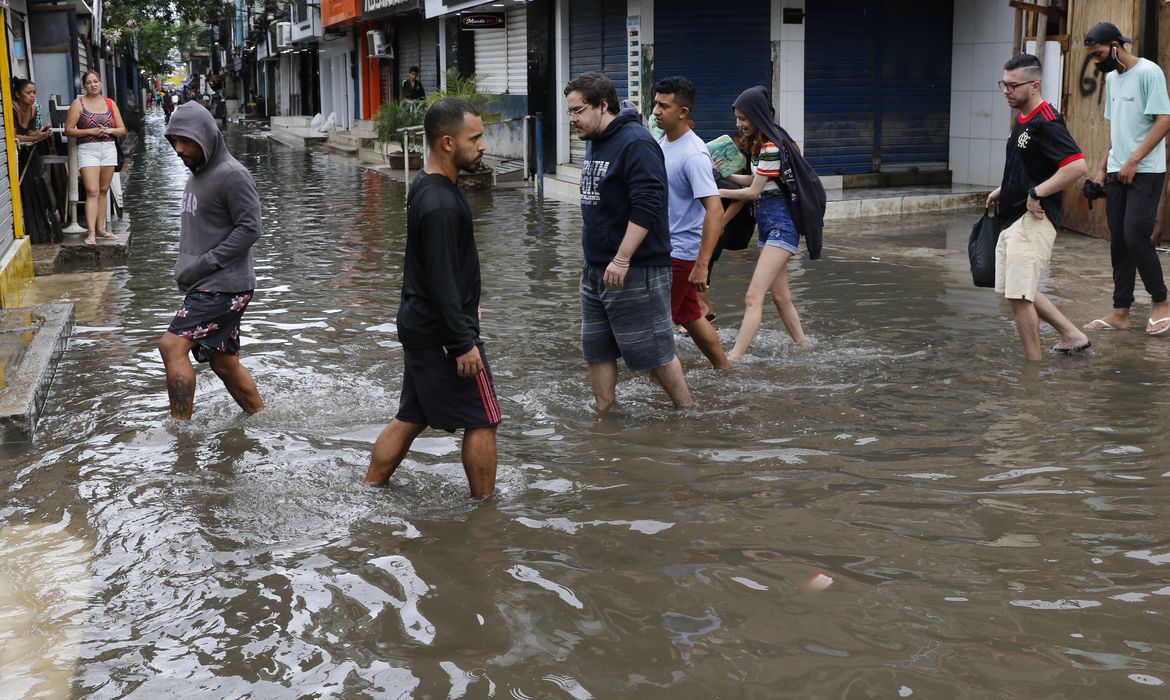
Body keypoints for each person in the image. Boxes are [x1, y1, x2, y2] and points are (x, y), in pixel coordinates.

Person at [363, 98, 500, 499]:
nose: (482, 146)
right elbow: (440, 278)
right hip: (443, 334)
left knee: (411, 415)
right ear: (446, 142)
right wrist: (462, 342)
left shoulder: (426, 184)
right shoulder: (439, 202)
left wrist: (468, 299)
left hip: (423, 325)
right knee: (484, 418)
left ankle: (370, 490)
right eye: (474, 138)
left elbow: (439, 268)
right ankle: (485, 511)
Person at [565, 72, 692, 411]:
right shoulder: (594, 138)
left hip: (636, 268)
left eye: (578, 111)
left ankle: (689, 413)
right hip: (595, 269)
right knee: (597, 348)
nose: (572, 119)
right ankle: (605, 414)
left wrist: (622, 258)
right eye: (570, 112)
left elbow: (649, 205)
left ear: (603, 105)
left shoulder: (636, 143)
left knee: (655, 352)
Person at [157, 102, 264, 421]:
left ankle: (180, 434)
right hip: (208, 283)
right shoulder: (199, 173)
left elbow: (250, 228)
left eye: (186, 141)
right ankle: (261, 419)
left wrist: (205, 264)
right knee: (223, 362)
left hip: (222, 285)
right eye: (174, 141)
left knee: (171, 346)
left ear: (206, 137)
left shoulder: (232, 175)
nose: (179, 149)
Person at [985, 54, 1091, 361]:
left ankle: (1031, 372)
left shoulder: (1047, 122)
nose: (1006, 90)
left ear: (1035, 85)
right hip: (1014, 215)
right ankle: (1072, 335)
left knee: (1019, 296)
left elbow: (1077, 166)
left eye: (1013, 85)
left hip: (1034, 219)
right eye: (1003, 84)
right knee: (1015, 291)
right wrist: (1005, 189)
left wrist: (1036, 192)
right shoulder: (1022, 119)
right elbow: (1031, 165)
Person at [1079, 22, 1170, 334]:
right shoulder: (1112, 80)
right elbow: (1116, 129)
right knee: (1118, 240)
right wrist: (1103, 168)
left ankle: (1161, 302)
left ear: (1116, 45)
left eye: (1099, 53)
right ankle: (1121, 312)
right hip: (1118, 169)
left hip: (1146, 171)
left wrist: (1134, 160)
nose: (1096, 60)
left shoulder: (1148, 72)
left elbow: (1164, 120)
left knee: (1134, 234)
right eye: (1092, 56)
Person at [717, 86, 810, 357]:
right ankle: (804, 347)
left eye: (744, 118)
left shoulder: (770, 147)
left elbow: (753, 192)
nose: (739, 124)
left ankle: (734, 357)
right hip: (770, 226)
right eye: (737, 118)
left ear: (758, 116)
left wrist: (717, 190)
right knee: (780, 298)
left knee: (752, 296)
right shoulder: (763, 147)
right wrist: (725, 174)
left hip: (781, 226)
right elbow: (756, 180)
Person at [651, 76, 729, 369]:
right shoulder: (664, 141)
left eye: (664, 106)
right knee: (691, 316)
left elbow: (715, 209)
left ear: (683, 112)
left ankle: (662, 387)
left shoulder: (693, 154)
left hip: (679, 253)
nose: (656, 111)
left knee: (655, 326)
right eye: (655, 104)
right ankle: (724, 368)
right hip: (666, 247)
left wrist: (702, 264)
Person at [63, 70, 125, 245]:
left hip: (108, 148)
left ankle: (101, 229)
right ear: (84, 85)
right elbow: (69, 130)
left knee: (104, 190)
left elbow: (122, 129)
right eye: (89, 82)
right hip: (87, 149)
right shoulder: (78, 103)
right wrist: (90, 131)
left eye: (96, 81)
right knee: (92, 191)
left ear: (101, 83)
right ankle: (90, 232)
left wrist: (109, 130)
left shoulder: (110, 103)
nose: (93, 85)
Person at [13, 78, 61, 244]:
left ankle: (39, 233)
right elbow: (13, 136)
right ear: (18, 94)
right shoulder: (12, 108)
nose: (32, 96)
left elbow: (31, 132)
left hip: (29, 152)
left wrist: (41, 134)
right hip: (17, 155)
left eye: (34, 92)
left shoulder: (33, 109)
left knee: (36, 188)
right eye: (28, 93)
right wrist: (32, 137)